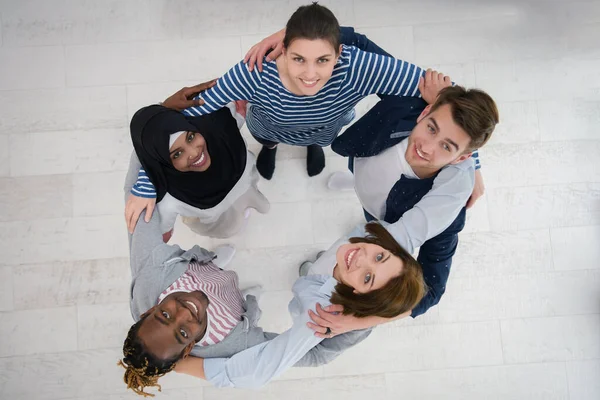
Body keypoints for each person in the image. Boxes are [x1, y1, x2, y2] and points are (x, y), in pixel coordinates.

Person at [244, 26, 498, 338]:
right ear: (427, 110)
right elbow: (354, 40)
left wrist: (360, 321)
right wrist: (288, 35)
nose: (427, 147)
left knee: (369, 216)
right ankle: (349, 179)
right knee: (359, 178)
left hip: (381, 213)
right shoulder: (412, 100)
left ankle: (360, 193)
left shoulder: (445, 211)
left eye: (447, 146)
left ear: (461, 158)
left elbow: (431, 292)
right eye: (431, 127)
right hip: (364, 160)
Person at [133, 3, 432, 185]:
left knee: (320, 139)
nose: (310, 75)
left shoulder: (358, 65)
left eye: (323, 60)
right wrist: (162, 112)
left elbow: (439, 93)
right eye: (299, 59)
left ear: (340, 53)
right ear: (283, 49)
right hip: (269, 127)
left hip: (325, 129)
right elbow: (177, 124)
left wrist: (470, 159)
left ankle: (313, 147)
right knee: (267, 138)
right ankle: (271, 149)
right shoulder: (254, 71)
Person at [171, 222, 425, 389]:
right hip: (320, 281)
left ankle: (247, 311)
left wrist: (182, 365)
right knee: (315, 270)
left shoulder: (323, 317)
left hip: (314, 333)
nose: (361, 258)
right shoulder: (364, 245)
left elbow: (257, 371)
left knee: (260, 339)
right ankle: (311, 271)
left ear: (359, 294)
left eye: (367, 277)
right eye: (380, 256)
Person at [124, 98, 269, 239]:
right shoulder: (168, 200)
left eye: (191, 136)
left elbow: (241, 99)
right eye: (177, 154)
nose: (194, 153)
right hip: (220, 222)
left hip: (248, 191)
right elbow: (162, 236)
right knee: (233, 227)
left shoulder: (219, 123)